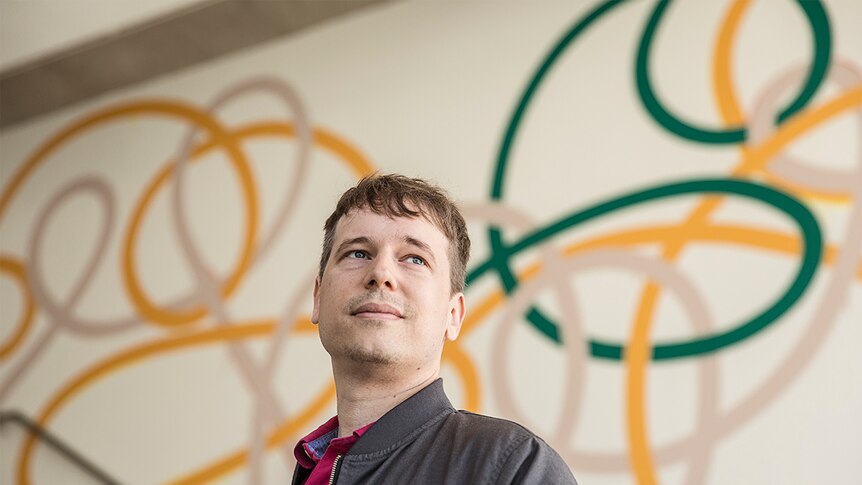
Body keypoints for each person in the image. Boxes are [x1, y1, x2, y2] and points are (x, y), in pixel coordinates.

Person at [292, 174, 577, 484]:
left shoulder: (515, 467)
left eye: (415, 259)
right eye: (358, 253)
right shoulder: (311, 467)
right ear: (318, 297)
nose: (381, 272)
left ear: (453, 314)